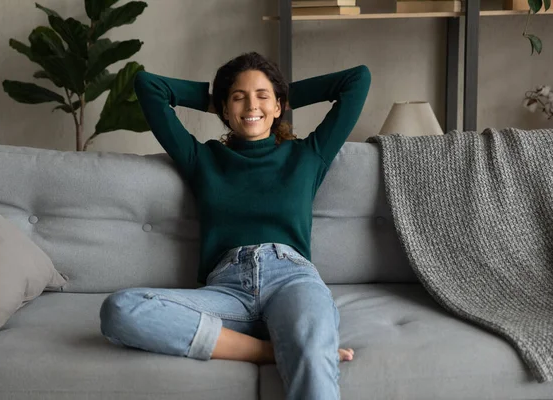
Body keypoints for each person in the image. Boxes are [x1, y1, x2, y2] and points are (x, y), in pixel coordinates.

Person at [99, 51, 371, 399]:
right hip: (228, 291)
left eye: (262, 96)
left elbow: (357, 79)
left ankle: (300, 347)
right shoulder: (203, 159)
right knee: (120, 309)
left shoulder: (307, 155)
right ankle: (273, 350)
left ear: (278, 106)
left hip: (292, 279)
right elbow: (148, 85)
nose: (250, 105)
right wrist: (218, 98)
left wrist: (278, 95)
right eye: (238, 97)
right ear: (225, 110)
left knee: (313, 343)